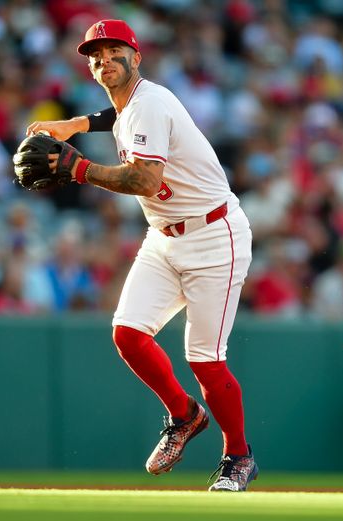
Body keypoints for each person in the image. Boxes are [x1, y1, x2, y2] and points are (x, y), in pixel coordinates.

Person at [24, 19, 257, 491]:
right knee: (128, 335)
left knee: (206, 361)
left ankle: (238, 456)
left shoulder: (150, 102)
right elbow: (119, 115)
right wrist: (76, 124)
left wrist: (78, 168)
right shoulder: (134, 101)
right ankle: (185, 415)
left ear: (137, 56)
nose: (104, 60)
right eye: (95, 55)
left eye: (114, 51)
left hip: (215, 237)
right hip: (164, 236)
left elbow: (145, 181)